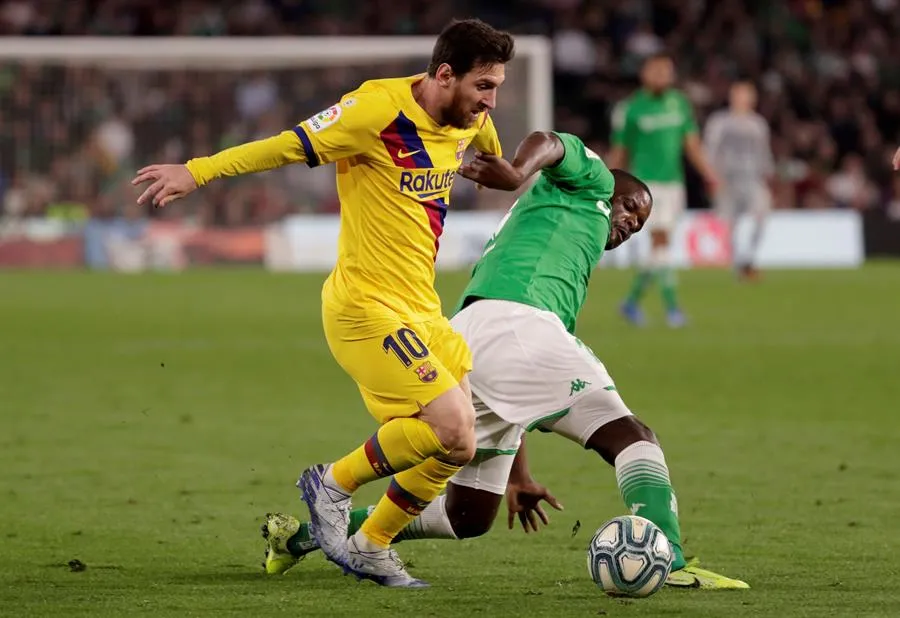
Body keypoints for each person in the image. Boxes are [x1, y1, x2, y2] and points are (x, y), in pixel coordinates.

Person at [260, 130, 748, 590]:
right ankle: (674, 563)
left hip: (477, 336)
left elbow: (517, 390)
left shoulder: (557, 246)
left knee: (467, 515)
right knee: (633, 438)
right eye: (629, 209)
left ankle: (304, 535)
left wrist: (521, 476)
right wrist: (517, 170)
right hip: (515, 325)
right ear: (610, 190)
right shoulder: (591, 180)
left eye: (639, 226)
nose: (629, 225)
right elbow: (550, 143)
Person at [131, 19, 515, 589]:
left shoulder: (470, 120)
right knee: (451, 423)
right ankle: (330, 484)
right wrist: (197, 171)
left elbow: (489, 156)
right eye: (484, 86)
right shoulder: (373, 111)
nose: (491, 100)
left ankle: (372, 544)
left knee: (458, 444)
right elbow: (285, 146)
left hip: (421, 310)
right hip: (365, 307)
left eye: (497, 87)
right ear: (444, 75)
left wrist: (502, 172)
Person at [609, 53, 719, 327]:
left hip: (674, 184)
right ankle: (673, 309)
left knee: (662, 245)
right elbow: (620, 152)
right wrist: (609, 184)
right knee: (660, 241)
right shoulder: (631, 109)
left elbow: (691, 144)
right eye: (656, 70)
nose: (661, 75)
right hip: (646, 188)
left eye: (666, 70)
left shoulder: (679, 104)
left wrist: (709, 174)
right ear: (644, 73)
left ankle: (631, 302)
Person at [704, 81, 774, 281]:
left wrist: (767, 175)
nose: (743, 99)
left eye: (747, 95)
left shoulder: (758, 124)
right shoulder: (720, 122)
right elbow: (710, 149)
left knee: (762, 216)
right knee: (730, 225)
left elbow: (764, 152)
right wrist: (712, 176)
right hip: (727, 180)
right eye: (739, 94)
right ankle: (740, 266)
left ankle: (749, 259)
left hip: (752, 179)